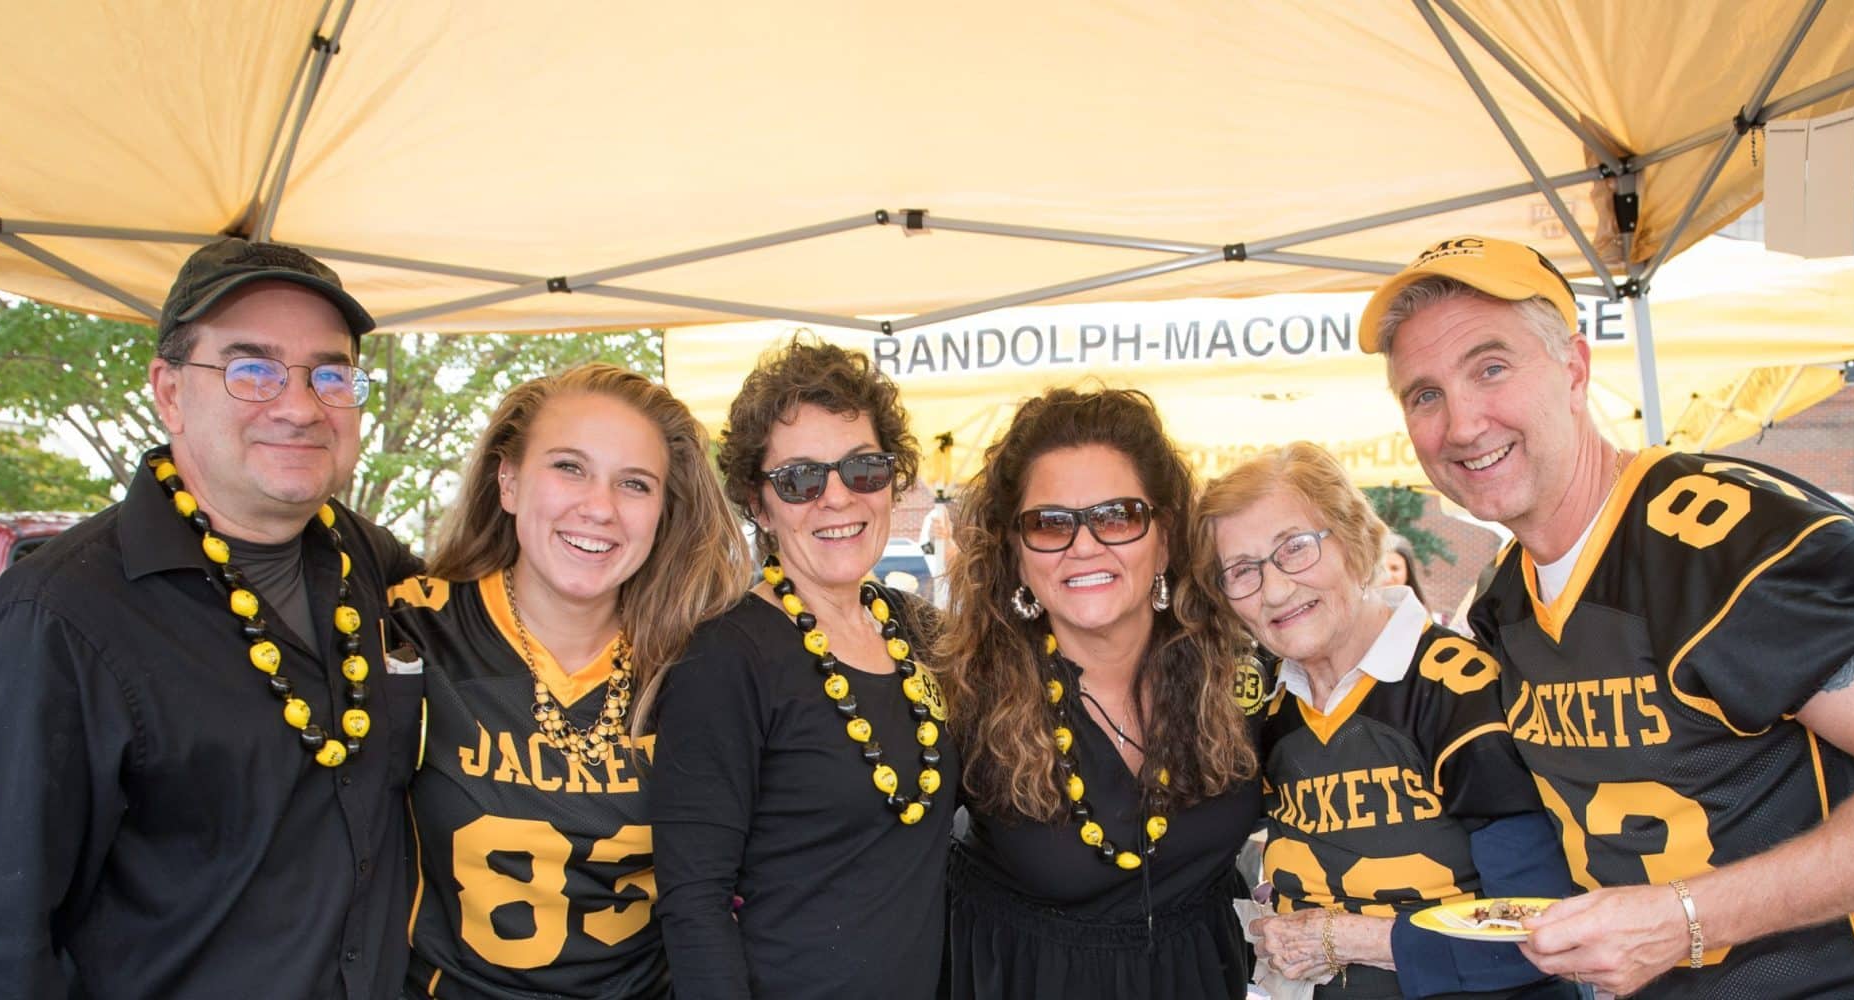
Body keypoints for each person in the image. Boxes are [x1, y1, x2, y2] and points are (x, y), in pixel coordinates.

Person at [1362, 234, 1854, 997]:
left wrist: (1689, 918)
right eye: (1423, 394)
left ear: (1574, 368)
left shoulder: (1737, 540)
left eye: (1491, 368)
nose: (1461, 425)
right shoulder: (1503, 598)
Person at [0, 238, 423, 998]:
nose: (298, 405)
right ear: (170, 392)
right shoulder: (57, 618)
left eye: (330, 373)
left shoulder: (366, 560)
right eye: (250, 369)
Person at [390, 364, 748, 998]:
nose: (600, 508)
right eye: (569, 467)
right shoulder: (413, 631)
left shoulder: (701, 663)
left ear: (664, 512)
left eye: (634, 484)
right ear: (508, 482)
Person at [1197, 442, 1575, 1000]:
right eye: (1241, 571)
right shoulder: (1264, 703)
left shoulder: (1458, 690)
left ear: (1353, 540)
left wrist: (1351, 938)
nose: (1274, 589)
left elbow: (1539, 926)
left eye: (1295, 549)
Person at [650, 338, 957, 999]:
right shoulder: (725, 657)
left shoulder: (920, 632)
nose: (837, 498)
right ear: (759, 505)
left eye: (863, 469)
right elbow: (694, 903)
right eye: (800, 479)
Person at [938, 386, 1263, 999]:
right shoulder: (964, 701)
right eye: (1049, 523)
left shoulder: (1242, 675)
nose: (1084, 545)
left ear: (1164, 537)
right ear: (1016, 554)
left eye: (1118, 516)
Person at [1379, 531, 1430, 613]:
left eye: (1394, 568)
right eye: (1381, 568)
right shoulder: (1357, 607)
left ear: (1408, 574)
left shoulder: (1418, 616)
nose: (1386, 574)